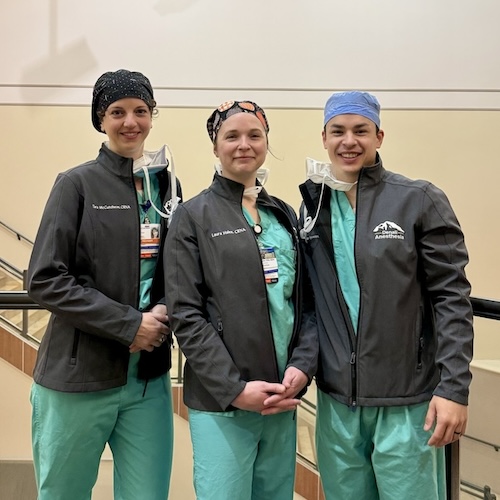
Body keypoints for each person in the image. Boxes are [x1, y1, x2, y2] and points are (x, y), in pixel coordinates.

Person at [299, 91, 474, 499]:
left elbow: (452, 299)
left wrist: (454, 388)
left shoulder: (418, 200)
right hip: (338, 402)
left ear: (379, 136)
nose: (349, 141)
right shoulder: (314, 208)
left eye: (361, 131)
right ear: (324, 137)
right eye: (338, 131)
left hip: (406, 402)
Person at [27, 69, 182, 500]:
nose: (130, 121)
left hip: (147, 382)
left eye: (140, 110)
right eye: (117, 112)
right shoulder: (75, 184)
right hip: (78, 378)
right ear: (101, 119)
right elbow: (44, 279)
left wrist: (165, 313)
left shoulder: (167, 185)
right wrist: (128, 325)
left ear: (152, 115)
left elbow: (179, 268)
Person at [164, 100, 318, 500]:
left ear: (267, 141)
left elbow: (305, 305)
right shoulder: (193, 216)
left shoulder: (283, 214)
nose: (244, 144)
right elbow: (185, 314)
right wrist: (234, 389)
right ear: (215, 146)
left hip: (281, 397)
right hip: (224, 403)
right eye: (231, 136)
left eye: (255, 135)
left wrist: (302, 368)